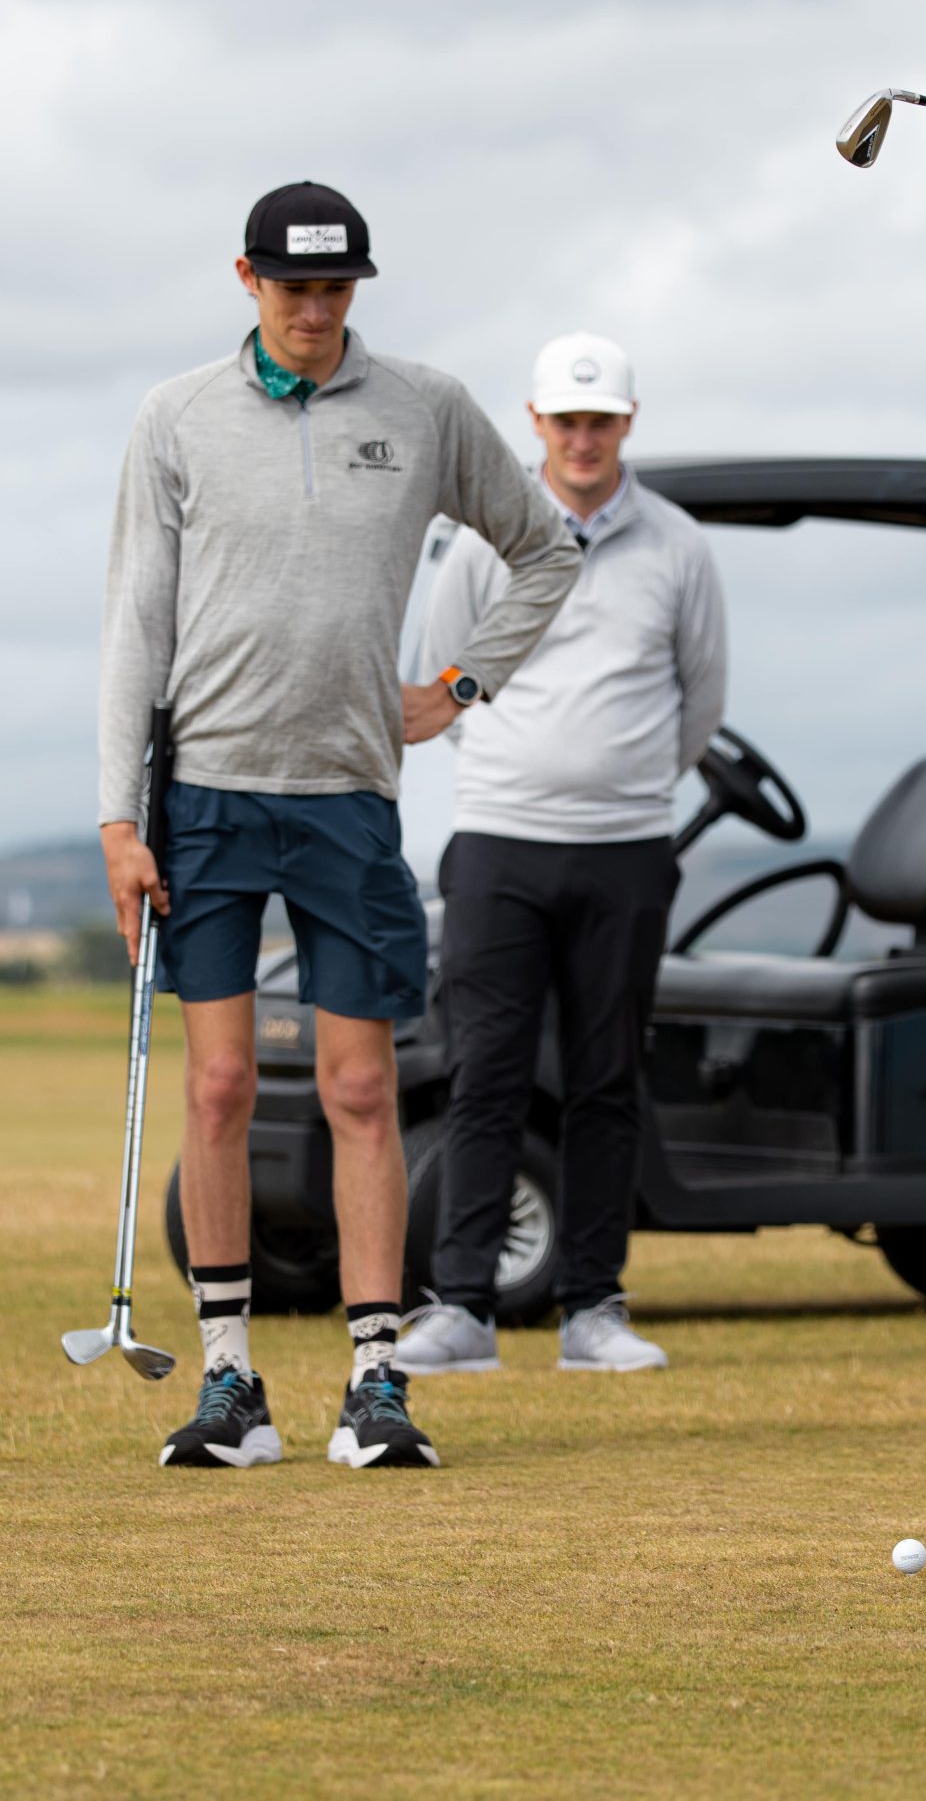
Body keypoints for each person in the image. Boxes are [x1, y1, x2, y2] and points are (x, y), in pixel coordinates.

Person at [97, 182, 581, 1471]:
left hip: (351, 795)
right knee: (218, 1083)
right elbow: (134, 621)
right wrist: (115, 814)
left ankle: (375, 1378)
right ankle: (227, 1381)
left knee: (363, 1086)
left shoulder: (423, 409)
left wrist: (463, 686)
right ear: (247, 280)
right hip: (201, 793)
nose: (315, 311)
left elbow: (546, 549)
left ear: (357, 287)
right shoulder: (176, 418)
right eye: (293, 286)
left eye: (335, 287)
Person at [396, 332, 727, 1378]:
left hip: (625, 849)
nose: (583, 439)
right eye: (566, 421)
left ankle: (593, 1305)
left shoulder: (677, 546)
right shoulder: (484, 544)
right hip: (498, 842)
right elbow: (440, 681)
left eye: (601, 421)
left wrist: (620, 782)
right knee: (485, 1073)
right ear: (535, 426)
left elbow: (699, 697)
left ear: (625, 424)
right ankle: (461, 1305)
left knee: (606, 1077)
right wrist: (532, 771)